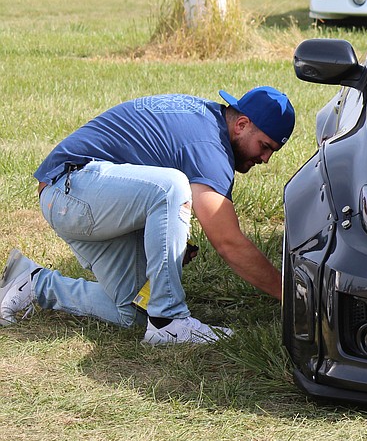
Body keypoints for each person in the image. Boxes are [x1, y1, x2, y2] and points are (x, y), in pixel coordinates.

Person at [0, 87, 295, 345]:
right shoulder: (209, 147)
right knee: (171, 188)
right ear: (242, 124)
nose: (266, 158)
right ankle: (168, 322)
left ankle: (33, 283)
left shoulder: (207, 122)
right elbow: (228, 241)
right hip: (70, 190)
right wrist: (292, 297)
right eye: (265, 146)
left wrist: (166, 238)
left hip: (77, 197)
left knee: (131, 311)